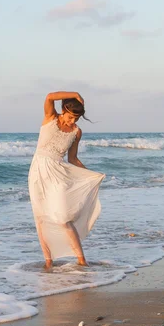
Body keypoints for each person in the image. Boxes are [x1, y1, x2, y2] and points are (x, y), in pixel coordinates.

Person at [28, 91, 105, 270]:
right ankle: (49, 261)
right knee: (40, 217)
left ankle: (81, 258)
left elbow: (73, 159)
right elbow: (48, 97)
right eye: (71, 117)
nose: (72, 122)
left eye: (76, 119)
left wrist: (90, 175)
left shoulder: (76, 132)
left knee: (63, 217)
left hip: (58, 173)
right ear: (64, 110)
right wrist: (75, 94)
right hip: (37, 171)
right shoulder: (50, 118)